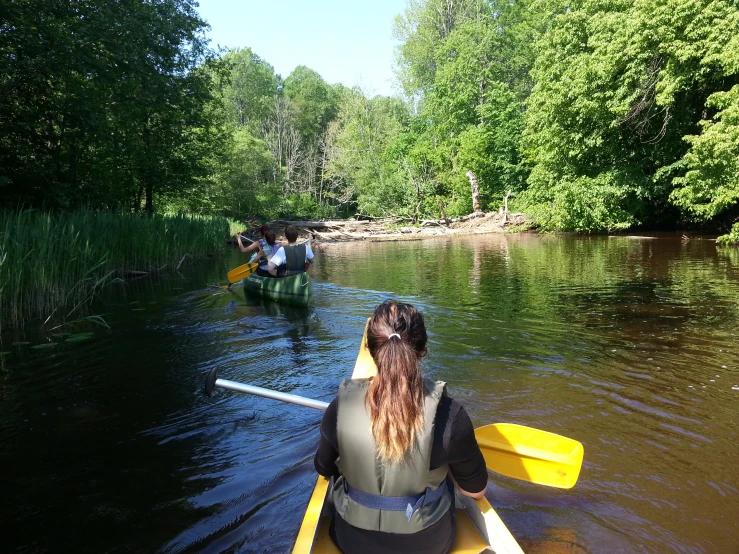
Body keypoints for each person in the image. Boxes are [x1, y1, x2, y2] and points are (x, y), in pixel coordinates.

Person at [314, 301, 487, 554]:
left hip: (353, 542)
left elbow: (323, 468)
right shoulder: (452, 416)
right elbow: (475, 491)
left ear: (371, 349)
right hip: (429, 545)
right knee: (448, 480)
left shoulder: (339, 408)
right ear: (423, 349)